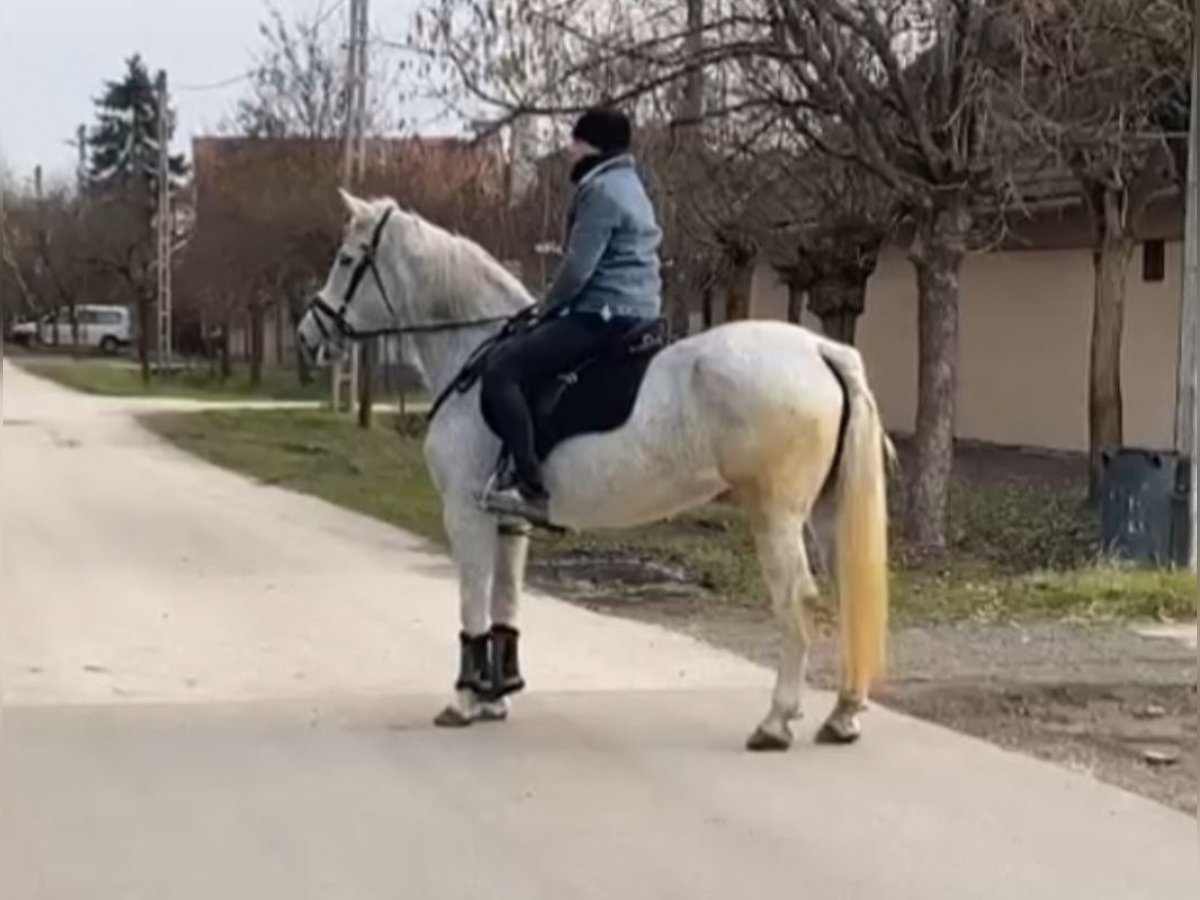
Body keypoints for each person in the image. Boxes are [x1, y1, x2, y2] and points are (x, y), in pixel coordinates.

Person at [480, 107, 663, 523]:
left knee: (502, 368)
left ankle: (528, 487)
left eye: (574, 141)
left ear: (591, 145)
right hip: (640, 310)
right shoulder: (633, 184)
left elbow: (579, 268)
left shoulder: (599, 192)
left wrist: (545, 309)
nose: (568, 151)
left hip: (602, 315)